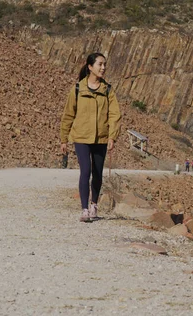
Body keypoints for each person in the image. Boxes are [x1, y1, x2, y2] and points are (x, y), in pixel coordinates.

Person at [60, 52, 121, 223]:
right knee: (85, 171)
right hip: (81, 137)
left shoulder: (107, 89)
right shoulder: (78, 89)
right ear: (90, 67)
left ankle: (94, 204)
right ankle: (85, 209)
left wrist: (112, 137)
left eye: (104, 64)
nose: (103, 68)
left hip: (100, 138)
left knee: (97, 173)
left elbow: (115, 114)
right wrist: (63, 139)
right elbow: (68, 115)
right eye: (100, 64)